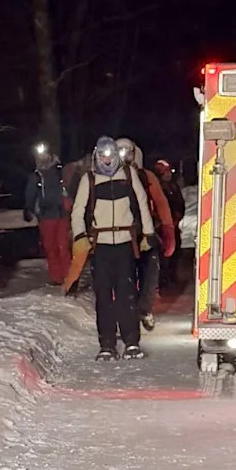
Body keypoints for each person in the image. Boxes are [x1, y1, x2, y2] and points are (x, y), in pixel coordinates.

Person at [70, 136, 156, 361]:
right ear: (97, 156)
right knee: (104, 296)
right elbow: (78, 212)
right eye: (103, 157)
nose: (107, 162)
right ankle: (107, 343)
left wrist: (148, 234)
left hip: (126, 245)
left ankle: (131, 342)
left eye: (111, 157)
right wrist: (80, 237)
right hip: (101, 247)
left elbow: (142, 203)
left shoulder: (129, 175)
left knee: (127, 294)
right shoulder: (88, 180)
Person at [115, 138, 176, 332]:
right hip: (117, 235)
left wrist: (168, 229)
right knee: (120, 277)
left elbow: (160, 203)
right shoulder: (103, 178)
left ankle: (144, 308)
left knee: (150, 272)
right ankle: (123, 314)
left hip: (143, 233)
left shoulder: (146, 176)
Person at [24, 142, 71, 286]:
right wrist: (28, 208)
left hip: (61, 214)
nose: (43, 157)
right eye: (40, 155)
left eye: (45, 154)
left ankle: (69, 276)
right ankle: (56, 277)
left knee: (63, 246)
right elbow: (30, 193)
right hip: (46, 216)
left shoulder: (60, 171)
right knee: (51, 247)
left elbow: (71, 187)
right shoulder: (36, 176)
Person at [154, 159, 185, 289]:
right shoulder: (156, 188)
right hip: (159, 228)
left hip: (173, 225)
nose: (168, 175)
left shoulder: (173, 187)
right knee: (161, 255)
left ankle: (170, 277)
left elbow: (180, 204)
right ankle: (161, 281)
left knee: (175, 251)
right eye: (165, 172)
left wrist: (177, 216)